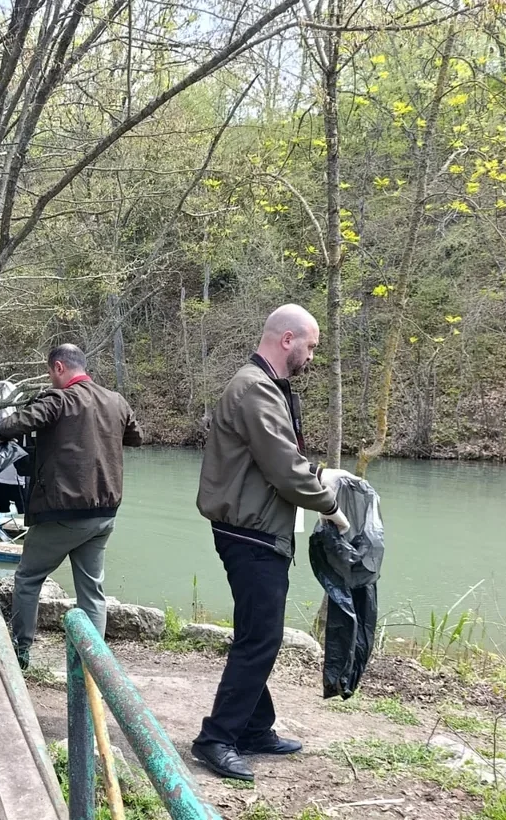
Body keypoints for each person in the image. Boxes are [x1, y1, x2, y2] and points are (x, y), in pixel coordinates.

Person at [191, 304, 356, 782]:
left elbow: (278, 459)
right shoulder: (254, 388)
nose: (312, 356)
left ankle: (254, 727)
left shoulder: (264, 386)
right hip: (251, 532)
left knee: (256, 633)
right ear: (287, 339)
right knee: (260, 638)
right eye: (310, 346)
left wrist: (322, 476)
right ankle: (216, 738)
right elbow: (284, 468)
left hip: (257, 526)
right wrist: (332, 507)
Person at [0, 344, 143, 669]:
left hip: (61, 512)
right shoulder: (115, 400)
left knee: (29, 579)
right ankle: (93, 665)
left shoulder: (56, 400)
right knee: (91, 591)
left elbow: (5, 428)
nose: (51, 378)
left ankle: (21, 652)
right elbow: (136, 437)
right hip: (104, 513)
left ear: (59, 367)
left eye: (50, 373)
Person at [0, 380, 26, 514]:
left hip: (6, 472)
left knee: (10, 502)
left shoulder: (7, 421)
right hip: (5, 472)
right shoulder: (6, 421)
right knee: (15, 504)